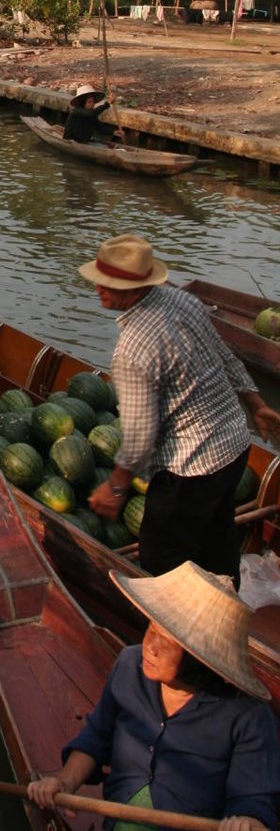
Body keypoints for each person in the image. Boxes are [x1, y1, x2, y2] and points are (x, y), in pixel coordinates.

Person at [27, 562, 280, 831]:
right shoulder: (129, 665)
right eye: (151, 630)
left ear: (198, 660)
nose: (150, 647)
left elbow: (253, 799)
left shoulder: (248, 717)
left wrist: (245, 823)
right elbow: (96, 737)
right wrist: (64, 782)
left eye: (166, 643)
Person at [79, 235, 280, 579]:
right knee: (218, 541)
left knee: (162, 556)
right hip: (234, 446)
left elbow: (141, 435)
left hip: (191, 466)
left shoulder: (133, 349)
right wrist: (256, 401)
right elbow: (223, 352)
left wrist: (115, 487)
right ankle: (224, 607)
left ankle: (178, 628)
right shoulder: (182, 300)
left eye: (107, 284)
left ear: (135, 290)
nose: (98, 287)